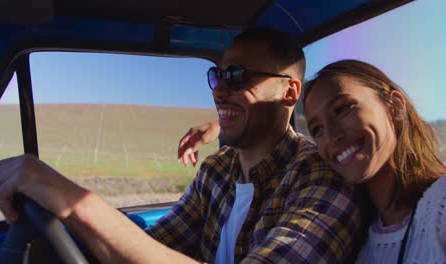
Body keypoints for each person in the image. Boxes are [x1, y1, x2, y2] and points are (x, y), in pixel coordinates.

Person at [0, 28, 363, 263]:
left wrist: (72, 201)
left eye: (235, 76)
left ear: (288, 91)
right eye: (216, 76)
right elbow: (150, 244)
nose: (219, 90)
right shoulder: (218, 171)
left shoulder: (320, 178)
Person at [178, 59, 446, 263]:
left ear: (394, 107)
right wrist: (223, 125)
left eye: (342, 109)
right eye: (317, 129)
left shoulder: (440, 207)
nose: (332, 136)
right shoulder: (363, 224)